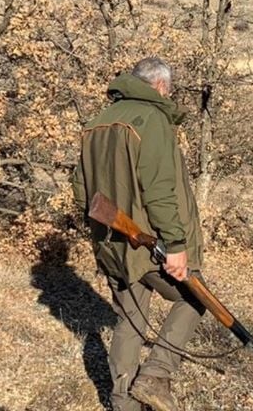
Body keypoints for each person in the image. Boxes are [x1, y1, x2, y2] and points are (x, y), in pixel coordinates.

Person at [72, 58, 204, 411]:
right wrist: (176, 245)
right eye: (170, 89)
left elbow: (81, 193)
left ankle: (122, 403)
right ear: (160, 86)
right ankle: (156, 375)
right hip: (150, 245)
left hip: (112, 244)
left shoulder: (95, 122)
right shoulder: (152, 120)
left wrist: (108, 231)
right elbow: (159, 190)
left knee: (130, 319)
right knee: (193, 298)